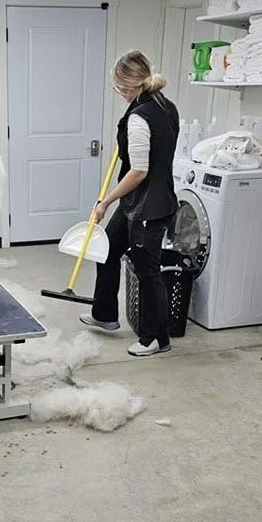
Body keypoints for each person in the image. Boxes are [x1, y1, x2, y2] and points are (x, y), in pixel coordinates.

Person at [80, 50, 179, 357]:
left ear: (126, 85)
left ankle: (156, 338)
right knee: (107, 247)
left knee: (147, 272)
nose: (117, 90)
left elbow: (139, 171)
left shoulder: (139, 117)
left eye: (117, 85)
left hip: (147, 207)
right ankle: (105, 314)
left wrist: (105, 201)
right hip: (140, 201)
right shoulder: (166, 105)